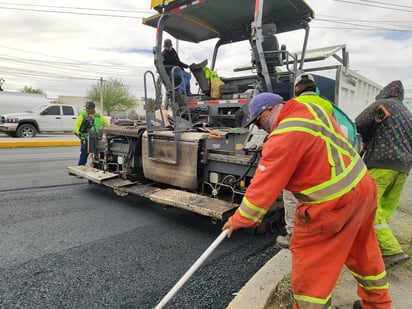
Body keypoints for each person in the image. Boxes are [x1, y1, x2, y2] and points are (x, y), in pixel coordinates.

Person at [223, 92, 391, 309]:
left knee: (310, 261)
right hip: (363, 189)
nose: (261, 128)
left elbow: (261, 190)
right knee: (364, 250)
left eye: (259, 122)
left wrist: (239, 219)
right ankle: (378, 305)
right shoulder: (312, 109)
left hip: (331, 204)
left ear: (268, 111)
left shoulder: (283, 136)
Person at [355, 80, 412, 269]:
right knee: (385, 208)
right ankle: (377, 247)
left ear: (385, 92)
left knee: (370, 206)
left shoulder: (384, 104)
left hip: (382, 163)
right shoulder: (407, 114)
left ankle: (391, 250)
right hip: (403, 168)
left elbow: (360, 121)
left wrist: (369, 134)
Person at [277, 73, 335, 249]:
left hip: (299, 160)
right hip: (322, 160)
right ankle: (318, 233)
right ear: (314, 87)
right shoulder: (327, 105)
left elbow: (285, 132)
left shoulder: (292, 105)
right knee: (318, 197)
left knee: (291, 197)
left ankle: (293, 235)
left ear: (296, 88)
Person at [74, 101, 109, 166]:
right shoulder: (82, 116)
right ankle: (80, 167)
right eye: (87, 108)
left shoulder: (99, 116)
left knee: (99, 155)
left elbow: (107, 125)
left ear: (93, 109)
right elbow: (77, 126)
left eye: (89, 108)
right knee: (84, 154)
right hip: (86, 139)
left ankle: (98, 167)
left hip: (97, 139)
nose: (87, 110)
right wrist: (78, 133)